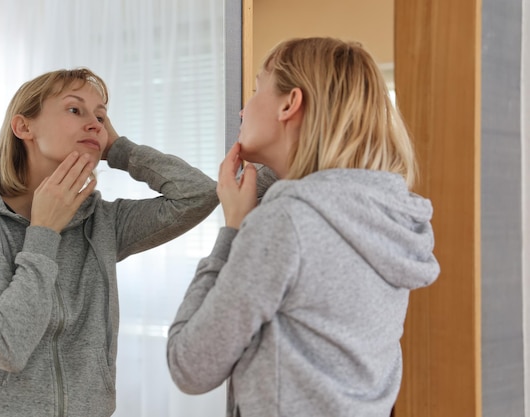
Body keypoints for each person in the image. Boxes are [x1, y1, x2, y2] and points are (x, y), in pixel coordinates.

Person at [167, 37, 441, 417]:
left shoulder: (286, 222)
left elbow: (189, 365)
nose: (244, 110)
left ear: (289, 103)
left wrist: (233, 229)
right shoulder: (386, 216)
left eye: (257, 88)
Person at [0, 68, 220, 417]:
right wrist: (44, 232)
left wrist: (119, 149)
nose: (95, 123)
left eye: (100, 116)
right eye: (75, 109)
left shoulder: (102, 223)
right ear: (24, 127)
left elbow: (200, 194)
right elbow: (5, 345)